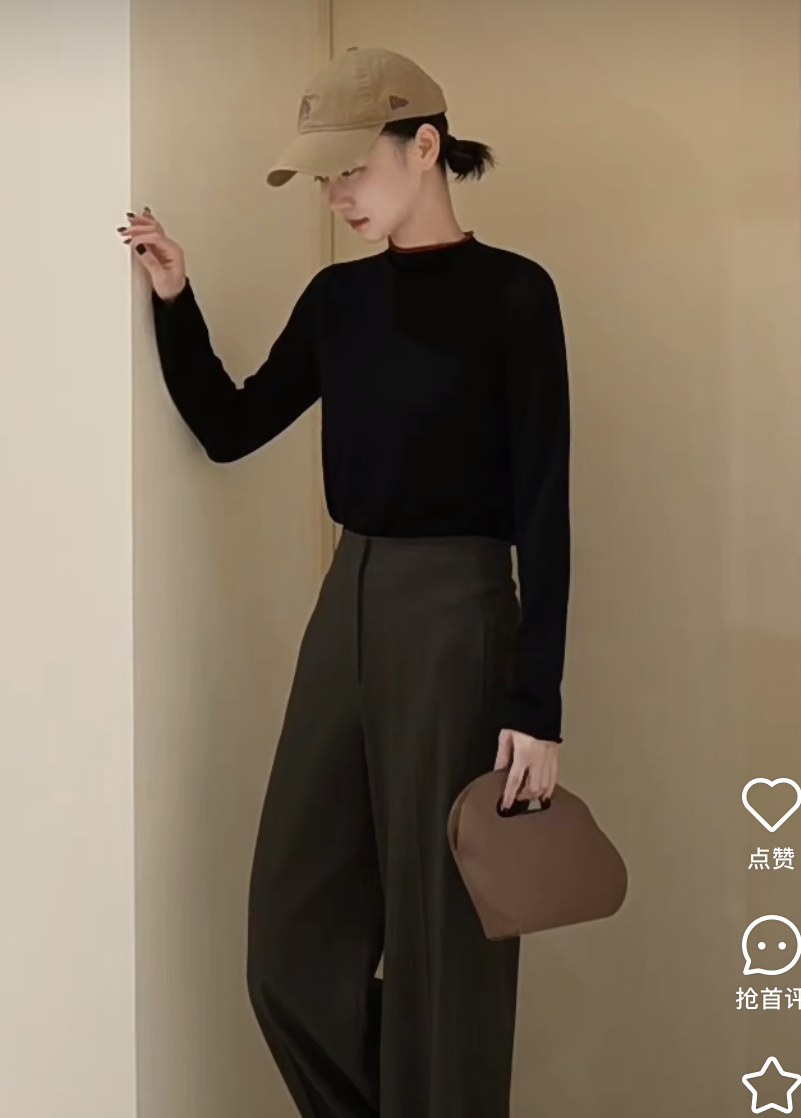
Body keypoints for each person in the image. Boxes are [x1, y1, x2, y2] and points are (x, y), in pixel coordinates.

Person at [116, 45, 570, 1118]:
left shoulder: (515, 295)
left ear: (425, 145)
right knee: (287, 943)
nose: (337, 196)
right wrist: (175, 298)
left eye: (350, 169)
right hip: (347, 605)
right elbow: (230, 426)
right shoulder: (338, 300)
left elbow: (546, 507)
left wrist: (536, 702)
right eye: (325, 178)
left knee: (447, 941)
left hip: (461, 615)